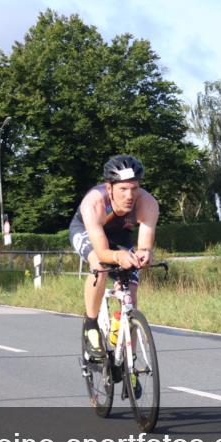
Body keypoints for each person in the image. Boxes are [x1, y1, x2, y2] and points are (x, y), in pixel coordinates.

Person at [69, 155, 159, 368]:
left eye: (134, 188)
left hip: (120, 235)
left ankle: (130, 360)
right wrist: (118, 256)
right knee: (99, 266)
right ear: (109, 187)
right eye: (123, 189)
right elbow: (101, 252)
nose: (130, 195)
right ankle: (91, 324)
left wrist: (144, 254)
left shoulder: (148, 203)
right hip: (87, 232)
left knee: (132, 290)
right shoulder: (94, 202)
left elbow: (144, 244)